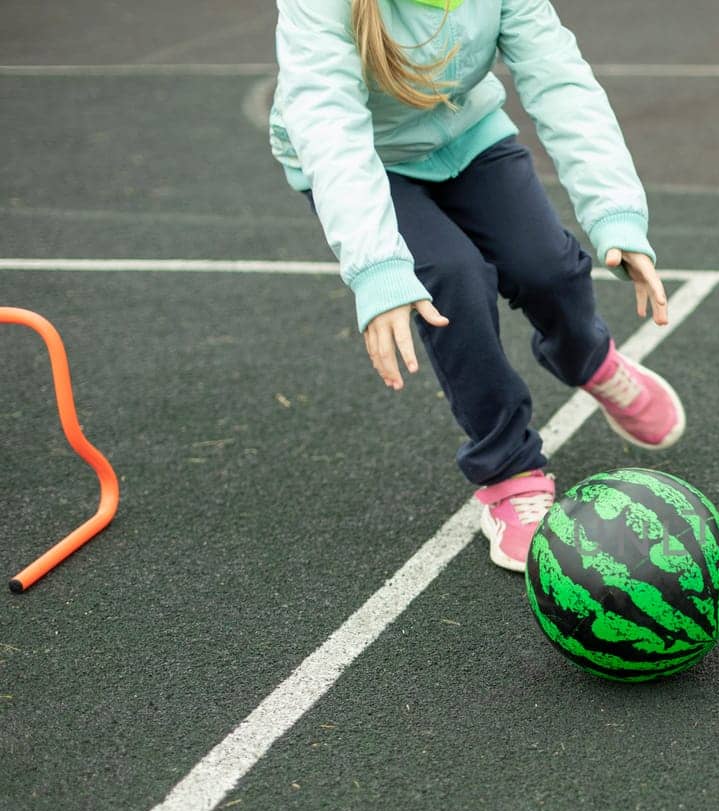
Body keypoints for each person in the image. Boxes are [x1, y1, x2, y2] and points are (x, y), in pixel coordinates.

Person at [269, 0, 683, 572]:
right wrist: (378, 268)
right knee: (452, 281)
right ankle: (508, 469)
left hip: (468, 134)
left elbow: (561, 83)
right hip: (368, 162)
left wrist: (616, 215)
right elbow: (329, 124)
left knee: (546, 266)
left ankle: (588, 358)